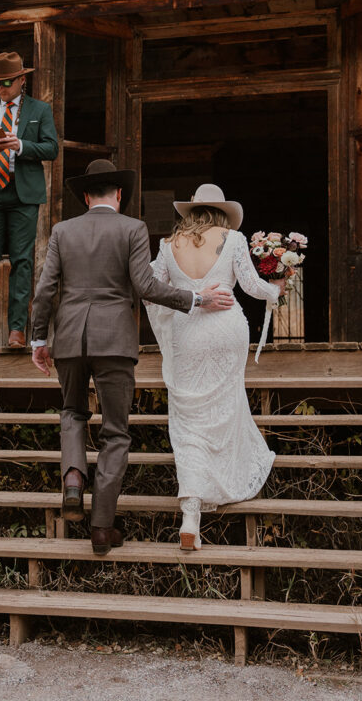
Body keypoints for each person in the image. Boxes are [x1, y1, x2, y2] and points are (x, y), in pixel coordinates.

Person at [30, 160, 234, 555]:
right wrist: (197, 299)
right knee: (115, 432)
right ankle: (101, 528)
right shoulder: (132, 228)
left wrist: (40, 338)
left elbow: (45, 291)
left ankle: (73, 478)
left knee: (71, 412)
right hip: (115, 344)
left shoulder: (62, 231)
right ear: (119, 195)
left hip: (69, 340)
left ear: (86, 197)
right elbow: (146, 286)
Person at [144, 184, 284, 551]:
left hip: (187, 333)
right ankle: (225, 478)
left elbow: (150, 290)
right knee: (225, 406)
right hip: (227, 329)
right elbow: (252, 286)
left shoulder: (167, 246)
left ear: (191, 211)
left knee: (189, 421)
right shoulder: (233, 238)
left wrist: (188, 301)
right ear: (223, 212)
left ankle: (191, 514)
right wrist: (277, 290)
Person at [0, 51, 59, 349]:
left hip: (23, 193)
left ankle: (17, 329)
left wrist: (21, 145)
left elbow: (51, 148)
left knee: (22, 261)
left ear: (21, 80)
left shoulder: (39, 109)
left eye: (6, 82)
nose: (1, 89)